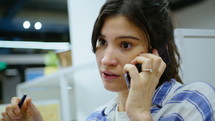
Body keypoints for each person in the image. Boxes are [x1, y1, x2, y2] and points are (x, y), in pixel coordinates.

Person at [1, 0, 215, 121]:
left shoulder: (193, 100)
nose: (106, 59)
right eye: (102, 41)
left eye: (125, 45)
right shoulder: (97, 117)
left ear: (156, 54)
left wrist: (140, 113)